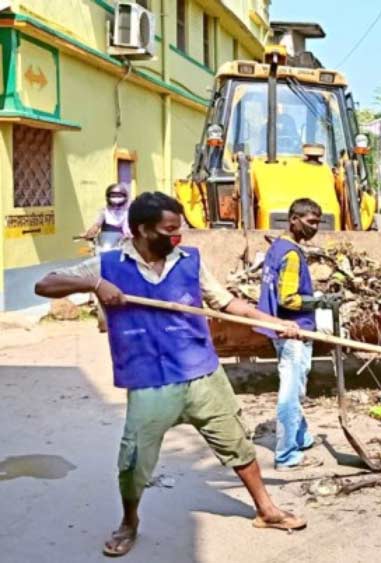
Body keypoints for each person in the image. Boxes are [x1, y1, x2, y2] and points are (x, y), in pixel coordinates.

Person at [35, 192, 307, 557]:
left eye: (179, 228)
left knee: (237, 444)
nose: (178, 236)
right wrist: (95, 285)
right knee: (133, 463)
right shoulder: (107, 265)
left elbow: (226, 302)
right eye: (170, 229)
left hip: (201, 374)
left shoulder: (190, 261)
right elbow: (45, 284)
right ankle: (129, 523)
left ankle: (266, 510)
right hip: (148, 382)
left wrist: (275, 324)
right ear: (143, 231)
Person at [256, 198, 328, 471]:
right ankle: (286, 455)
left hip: (279, 329)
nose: (314, 228)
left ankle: (302, 436)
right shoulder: (292, 255)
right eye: (310, 222)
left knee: (296, 387)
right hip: (292, 331)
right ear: (293, 220)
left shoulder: (277, 247)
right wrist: (318, 301)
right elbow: (288, 299)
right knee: (290, 394)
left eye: (317, 223)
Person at [84, 183, 132, 253]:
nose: (116, 198)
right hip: (106, 244)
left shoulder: (129, 211)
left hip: (124, 244)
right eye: (113, 195)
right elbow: (97, 224)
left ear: (125, 197)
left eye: (119, 195)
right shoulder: (104, 211)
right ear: (108, 197)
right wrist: (91, 231)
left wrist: (130, 235)